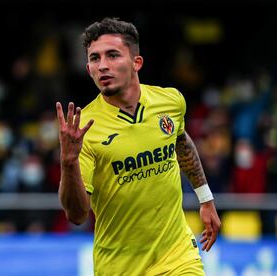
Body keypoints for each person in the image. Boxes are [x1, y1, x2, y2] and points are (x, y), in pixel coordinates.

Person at [56, 17, 221, 275]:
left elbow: (181, 142)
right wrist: (68, 162)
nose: (103, 66)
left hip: (177, 254)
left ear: (136, 62)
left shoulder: (171, 101)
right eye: (95, 59)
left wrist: (205, 198)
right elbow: (76, 216)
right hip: (119, 266)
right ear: (88, 69)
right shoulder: (85, 129)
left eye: (112, 55)